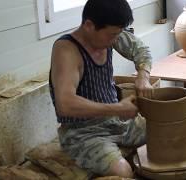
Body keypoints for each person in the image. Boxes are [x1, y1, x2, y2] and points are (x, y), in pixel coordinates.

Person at [49, 0, 153, 178]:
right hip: (83, 133)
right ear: (89, 25)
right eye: (112, 35)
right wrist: (118, 108)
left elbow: (141, 49)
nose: (115, 40)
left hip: (115, 123)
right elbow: (65, 104)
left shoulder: (109, 34)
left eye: (118, 34)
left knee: (169, 130)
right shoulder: (66, 50)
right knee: (122, 172)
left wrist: (143, 76)